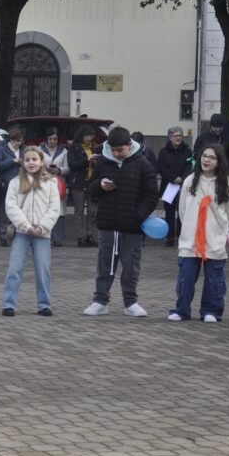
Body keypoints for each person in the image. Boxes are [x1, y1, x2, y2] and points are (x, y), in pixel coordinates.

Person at [81, 127, 159, 317]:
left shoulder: (142, 163)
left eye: (120, 150)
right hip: (108, 223)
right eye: (113, 150)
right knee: (105, 264)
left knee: (131, 266)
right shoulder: (102, 162)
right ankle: (100, 301)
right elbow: (90, 190)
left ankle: (130, 302)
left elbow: (151, 194)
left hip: (132, 226)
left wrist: (138, 215)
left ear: (129, 145)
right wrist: (99, 186)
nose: (116, 154)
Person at [168, 143, 229, 322]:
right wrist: (191, 227)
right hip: (190, 238)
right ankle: (182, 310)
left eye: (212, 157)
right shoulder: (190, 180)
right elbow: (182, 209)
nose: (207, 160)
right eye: (204, 156)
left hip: (214, 239)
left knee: (214, 279)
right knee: (186, 277)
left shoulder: (226, 184)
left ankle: (211, 311)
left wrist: (218, 229)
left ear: (219, 161)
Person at [1, 146, 60, 317]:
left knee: (43, 270)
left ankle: (44, 304)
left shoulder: (50, 182)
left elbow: (54, 208)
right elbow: (11, 207)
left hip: (42, 233)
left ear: (42, 161)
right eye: (27, 160)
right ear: (22, 162)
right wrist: (26, 226)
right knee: (14, 268)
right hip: (21, 232)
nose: (31, 163)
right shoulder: (15, 182)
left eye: (35, 159)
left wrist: (42, 227)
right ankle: (9, 304)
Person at [157, 126, 192, 247]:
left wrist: (183, 178)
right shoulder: (163, 152)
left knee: (183, 211)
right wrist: (173, 178)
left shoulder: (187, 151)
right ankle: (170, 236)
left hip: (184, 185)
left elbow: (190, 165)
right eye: (175, 136)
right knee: (170, 212)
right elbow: (162, 167)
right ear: (170, 137)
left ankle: (182, 236)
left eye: (180, 136)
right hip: (169, 185)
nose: (178, 138)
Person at [66, 125, 99, 247]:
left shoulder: (95, 147)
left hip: (92, 182)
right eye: (87, 135)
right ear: (81, 135)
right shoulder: (74, 148)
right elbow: (72, 165)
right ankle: (80, 236)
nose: (89, 138)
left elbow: (100, 166)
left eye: (91, 135)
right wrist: (87, 160)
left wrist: (96, 162)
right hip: (78, 182)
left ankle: (90, 235)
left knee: (92, 211)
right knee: (79, 211)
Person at [0, 127, 24, 246]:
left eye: (21, 141)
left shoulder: (23, 149)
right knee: (5, 209)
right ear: (11, 140)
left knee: (20, 209)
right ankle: (4, 236)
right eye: (17, 141)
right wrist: (13, 161)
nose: (19, 144)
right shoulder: (0, 149)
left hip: (22, 183)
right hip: (7, 184)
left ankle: (18, 235)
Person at [40, 127, 69, 246]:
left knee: (59, 210)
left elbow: (68, 168)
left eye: (55, 139)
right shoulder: (39, 149)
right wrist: (45, 168)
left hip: (59, 184)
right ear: (46, 139)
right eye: (50, 138)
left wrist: (58, 170)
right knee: (44, 209)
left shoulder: (64, 151)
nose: (52, 141)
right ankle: (45, 235)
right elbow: (34, 164)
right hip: (43, 182)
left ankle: (57, 238)